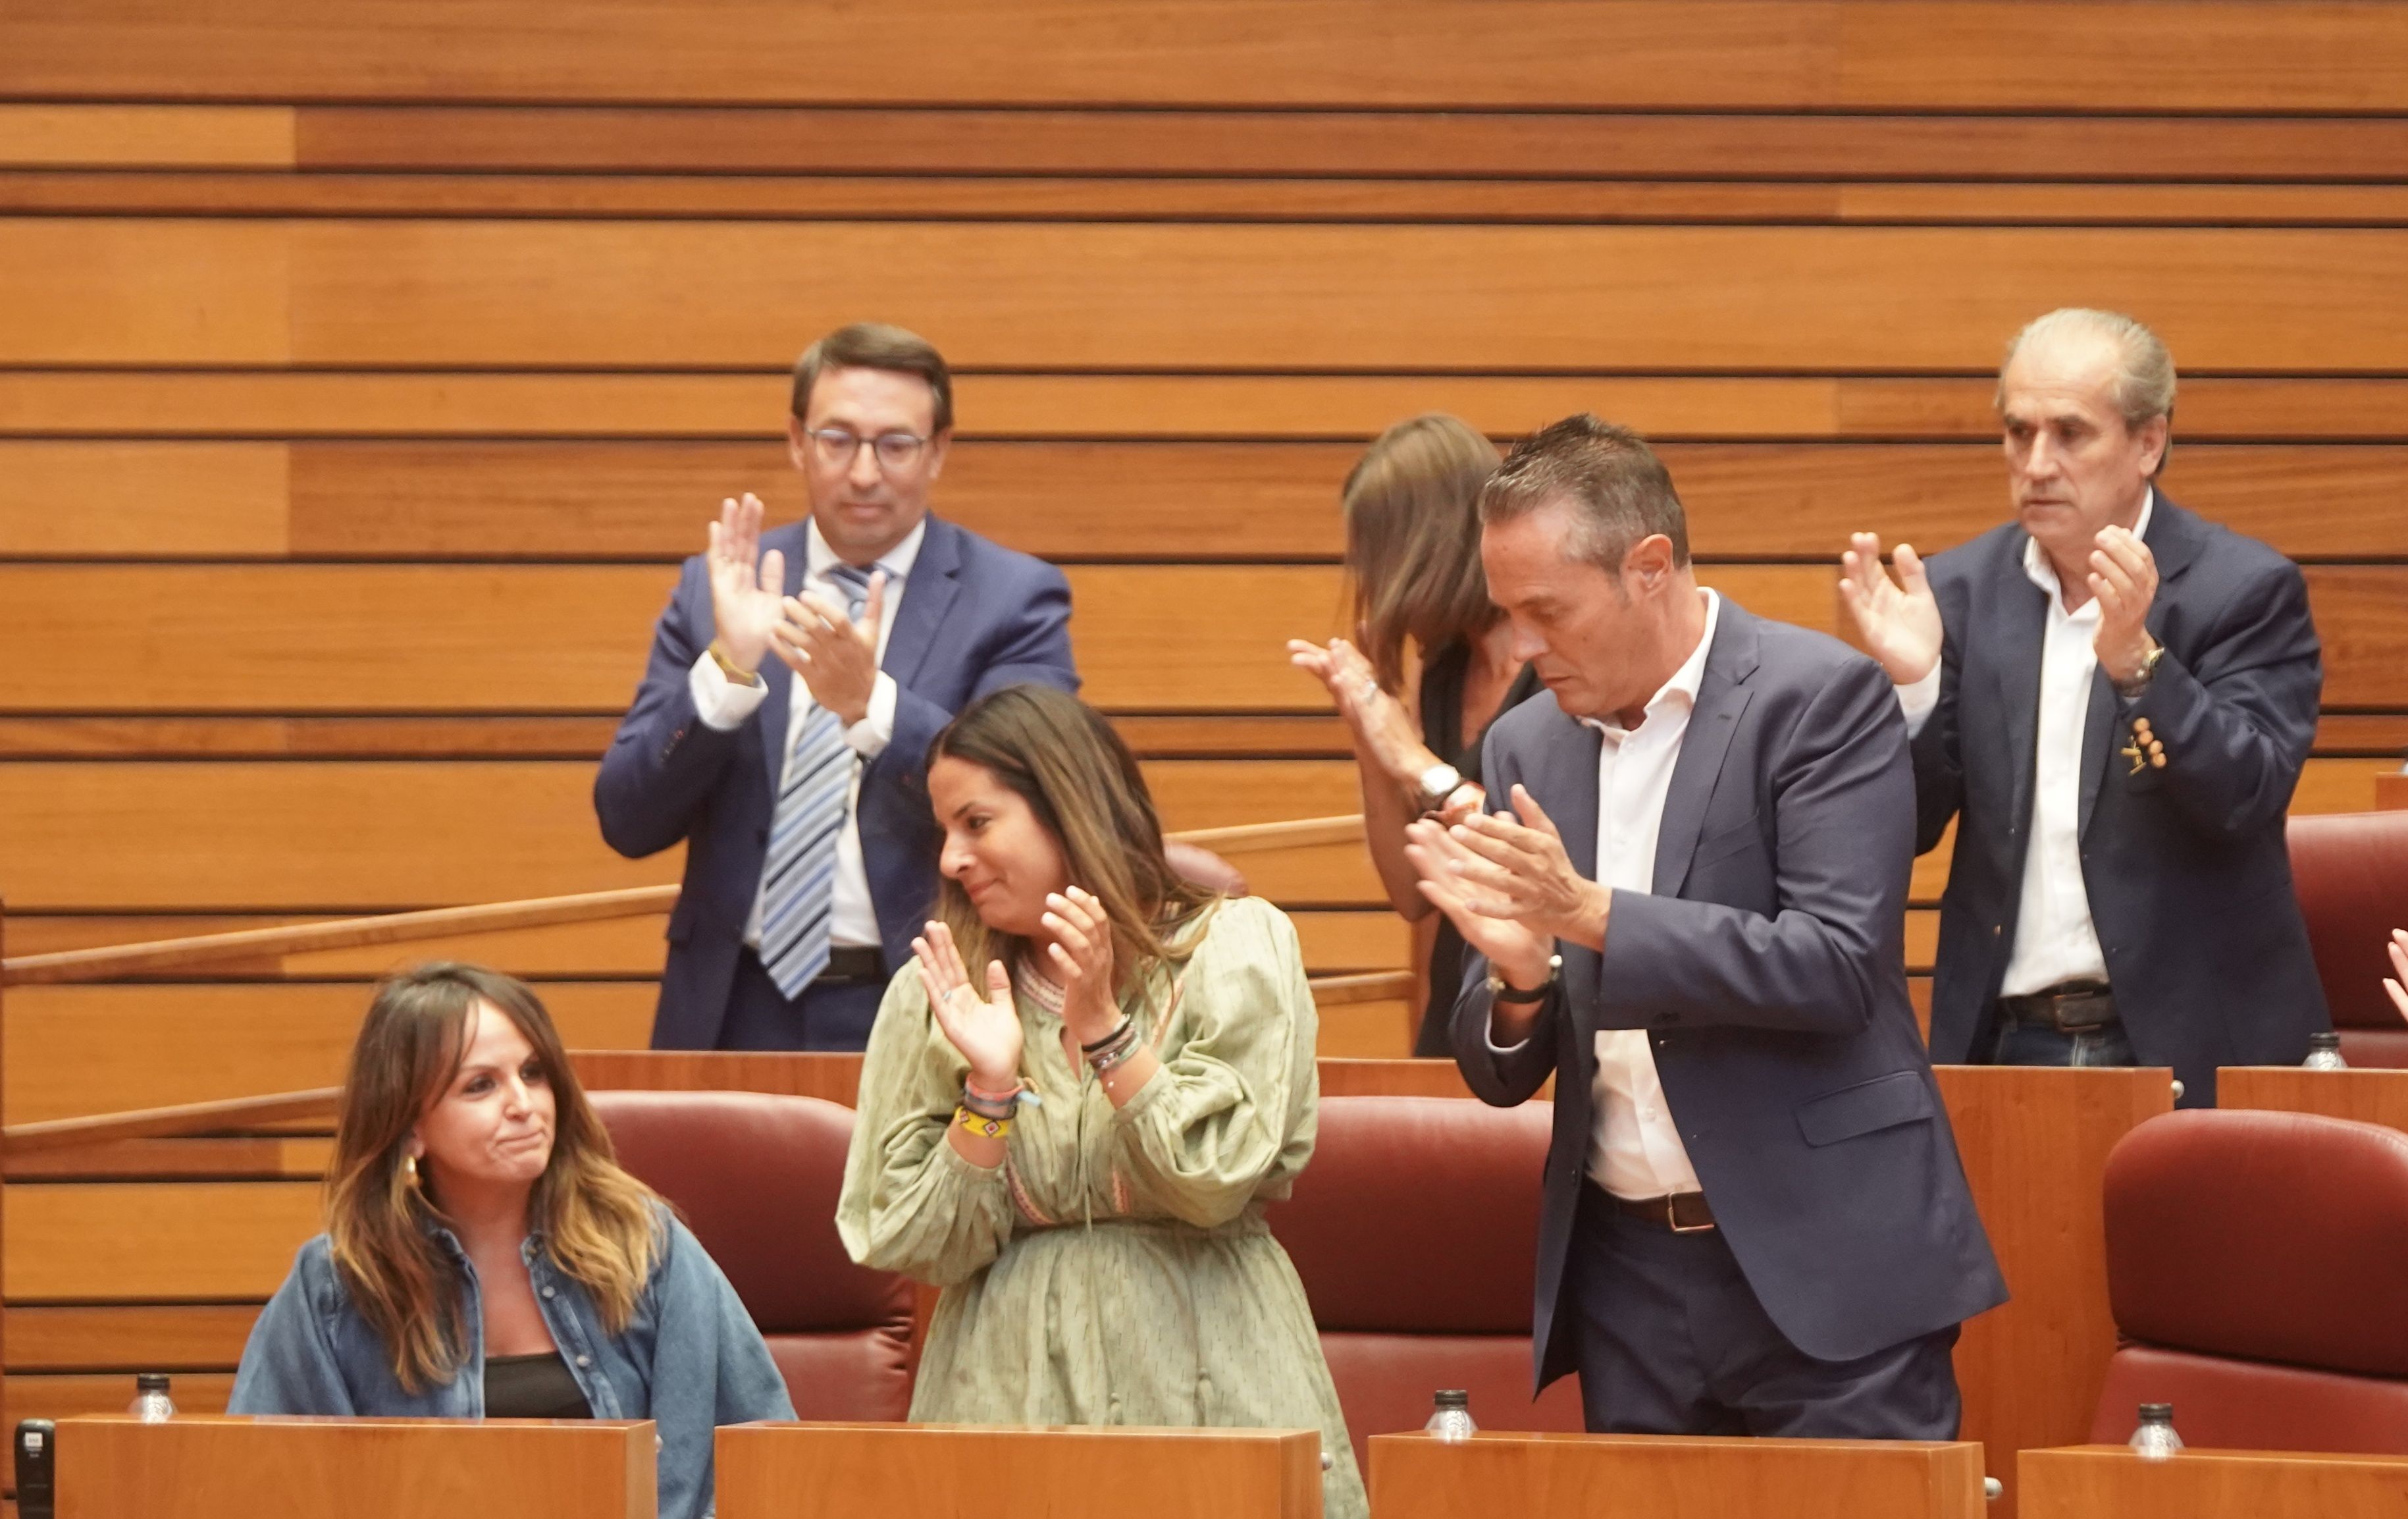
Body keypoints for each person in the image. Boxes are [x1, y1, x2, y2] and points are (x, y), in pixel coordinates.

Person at [1412, 415, 2004, 1439]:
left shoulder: (1816, 698)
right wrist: (1519, 984)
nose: (1522, 646)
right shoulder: (1522, 743)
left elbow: (1833, 966)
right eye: (1507, 614)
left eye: (1546, 610)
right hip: (1629, 1280)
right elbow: (1499, 1066)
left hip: (1827, 1264)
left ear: (1647, 567)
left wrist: (1586, 914)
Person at [835, 683, 1367, 1519]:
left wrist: (1105, 1032)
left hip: (1209, 1376)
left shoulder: (1237, 944)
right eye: (944, 832)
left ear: (1066, 804)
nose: (950, 860)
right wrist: (989, 1093)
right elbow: (912, 1239)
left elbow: (1213, 1177)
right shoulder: (937, 991)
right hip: (1004, 1385)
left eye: (976, 824)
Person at [1840, 308, 2326, 1106]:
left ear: (2147, 443)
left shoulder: (2240, 590)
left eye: (2070, 433)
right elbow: (1906, 827)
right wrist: (1917, 687)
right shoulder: (1960, 592)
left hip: (2187, 1043)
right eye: (2018, 431)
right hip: (2003, 1043)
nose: (2036, 463)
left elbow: (2245, 797)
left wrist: (2141, 668)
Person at [596, 322, 1080, 1052]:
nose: (863, 473)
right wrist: (729, 666)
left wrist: (871, 707)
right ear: (797, 440)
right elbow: (627, 819)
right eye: (838, 440)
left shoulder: (1013, 599)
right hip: (733, 1006)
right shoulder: (719, 587)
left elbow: (1039, 803)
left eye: (895, 444)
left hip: (927, 1001)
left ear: (939, 450)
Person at [228, 964, 792, 1519]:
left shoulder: (644, 1246)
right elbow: (269, 1481)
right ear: (410, 1127)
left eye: (534, 1073)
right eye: (481, 1085)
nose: (523, 1104)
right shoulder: (339, 1285)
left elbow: (764, 1460)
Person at [1288, 414, 1539, 1055]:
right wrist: (1369, 724)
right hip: (1458, 1018)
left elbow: (1530, 858)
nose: (1370, 579)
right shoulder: (1446, 669)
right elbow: (1407, 892)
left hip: (1537, 1011)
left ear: (1425, 542)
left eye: (1375, 552)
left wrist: (1412, 757)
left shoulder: (1557, 668)